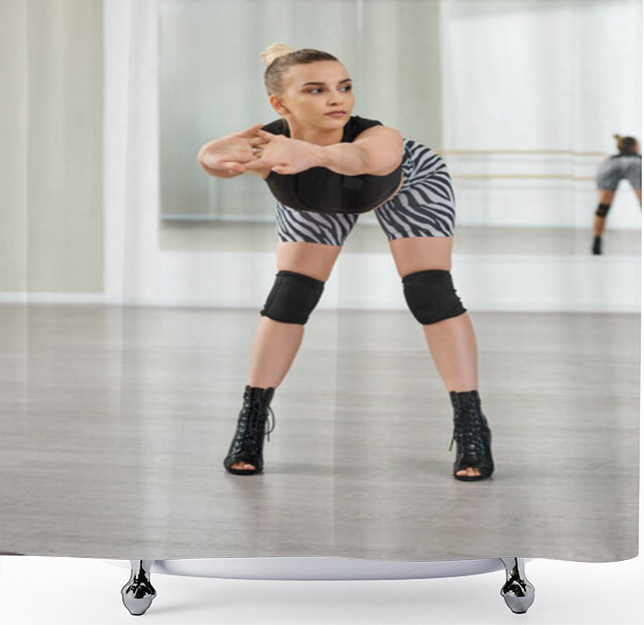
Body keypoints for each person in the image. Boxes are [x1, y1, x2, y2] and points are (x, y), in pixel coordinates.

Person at [197, 44, 493, 481]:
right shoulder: (270, 143)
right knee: (290, 297)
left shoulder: (378, 136)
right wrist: (211, 155)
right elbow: (220, 163)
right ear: (280, 104)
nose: (337, 99)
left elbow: (366, 160)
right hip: (318, 200)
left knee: (430, 292)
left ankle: (471, 425)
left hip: (411, 182)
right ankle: (251, 423)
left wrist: (311, 156)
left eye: (345, 87)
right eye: (316, 90)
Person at [592, 134, 642, 255]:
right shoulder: (637, 160)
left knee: (602, 208)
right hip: (635, 165)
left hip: (609, 166)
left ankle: (596, 243)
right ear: (634, 147)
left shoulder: (609, 160)